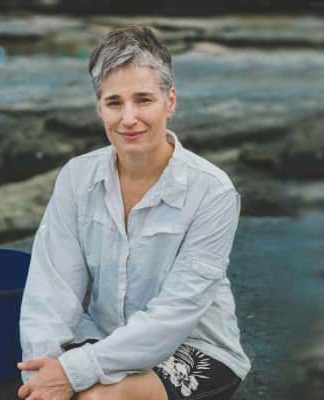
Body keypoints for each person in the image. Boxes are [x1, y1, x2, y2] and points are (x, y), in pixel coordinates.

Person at [17, 25, 251, 400]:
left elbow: (176, 312)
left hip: (192, 344)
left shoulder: (213, 191)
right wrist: (42, 371)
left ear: (170, 101)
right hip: (102, 337)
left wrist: (74, 372)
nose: (129, 118)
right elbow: (51, 287)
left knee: (99, 397)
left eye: (143, 100)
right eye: (114, 103)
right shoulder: (77, 177)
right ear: (99, 108)